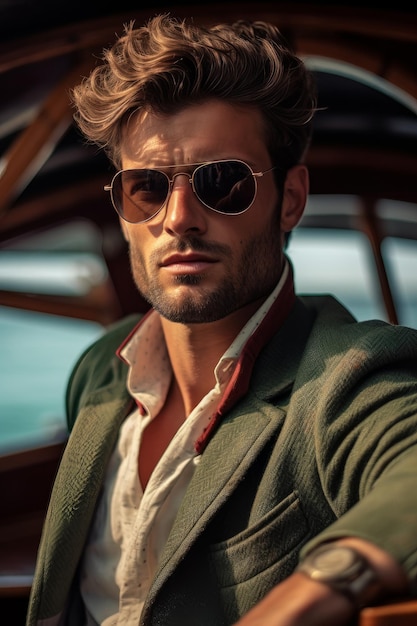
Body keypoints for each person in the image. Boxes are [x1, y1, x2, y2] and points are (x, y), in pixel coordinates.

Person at [26, 13, 417, 626]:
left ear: (290, 200)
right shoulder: (100, 373)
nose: (179, 217)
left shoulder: (350, 381)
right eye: (148, 188)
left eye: (223, 181)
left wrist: (310, 596)